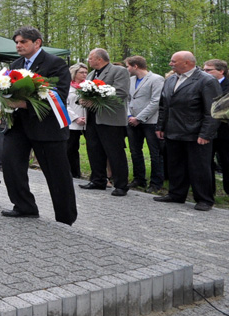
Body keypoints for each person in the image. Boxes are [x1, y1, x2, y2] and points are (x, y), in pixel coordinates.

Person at [0, 26, 77, 225]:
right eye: (16, 42)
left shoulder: (55, 63)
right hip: (18, 126)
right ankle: (24, 206)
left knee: (57, 175)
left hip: (47, 128)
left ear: (37, 43)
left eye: (23, 42)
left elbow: (59, 94)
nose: (18, 45)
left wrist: (24, 104)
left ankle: (65, 217)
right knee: (10, 163)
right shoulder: (15, 64)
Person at [154, 52, 219, 211]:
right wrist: (160, 126)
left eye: (174, 61)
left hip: (195, 133)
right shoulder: (170, 79)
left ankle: (204, 199)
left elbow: (213, 110)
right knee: (176, 164)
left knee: (199, 167)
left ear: (187, 63)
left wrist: (206, 134)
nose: (170, 64)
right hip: (173, 131)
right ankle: (176, 194)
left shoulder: (206, 81)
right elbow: (164, 106)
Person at [78, 48, 131, 196]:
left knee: (115, 153)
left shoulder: (119, 71)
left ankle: (121, 185)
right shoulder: (90, 74)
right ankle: (98, 180)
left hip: (111, 120)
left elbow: (121, 93)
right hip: (93, 119)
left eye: (90, 58)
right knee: (94, 150)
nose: (88, 61)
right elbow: (85, 92)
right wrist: (82, 99)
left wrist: (94, 101)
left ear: (99, 59)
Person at [126, 56, 165, 192]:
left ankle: (156, 182)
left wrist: (140, 117)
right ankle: (139, 178)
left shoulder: (156, 79)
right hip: (132, 120)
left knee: (155, 153)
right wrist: (130, 115)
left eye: (128, 66)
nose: (127, 69)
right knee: (135, 151)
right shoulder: (130, 80)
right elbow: (127, 99)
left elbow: (156, 101)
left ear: (135, 66)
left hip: (150, 121)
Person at [203, 59, 229, 195]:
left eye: (209, 70)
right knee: (206, 162)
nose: (205, 73)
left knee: (226, 161)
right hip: (206, 131)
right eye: (204, 70)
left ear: (221, 71)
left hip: (225, 132)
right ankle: (208, 192)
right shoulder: (203, 84)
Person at [66, 63, 89, 180]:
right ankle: (73, 172)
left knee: (92, 148)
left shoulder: (89, 86)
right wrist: (75, 118)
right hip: (73, 122)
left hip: (88, 122)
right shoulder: (68, 87)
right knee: (71, 148)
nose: (84, 75)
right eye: (82, 72)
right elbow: (65, 105)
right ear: (74, 73)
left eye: (86, 72)